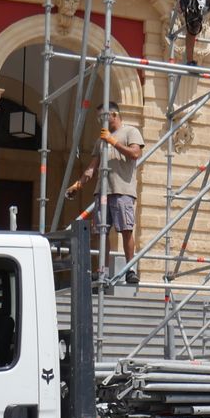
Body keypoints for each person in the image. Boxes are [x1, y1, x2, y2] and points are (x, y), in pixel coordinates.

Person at [66, 102, 145, 283]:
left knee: (126, 229)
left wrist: (113, 141)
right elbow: (92, 168)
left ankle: (130, 269)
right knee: (101, 231)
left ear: (114, 115)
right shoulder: (100, 140)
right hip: (102, 191)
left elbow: (135, 154)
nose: (100, 121)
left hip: (122, 189)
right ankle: (103, 269)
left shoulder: (130, 132)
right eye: (99, 118)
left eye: (103, 116)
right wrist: (77, 185)